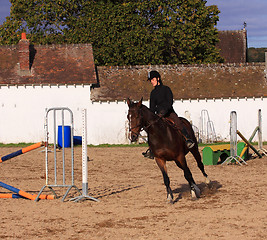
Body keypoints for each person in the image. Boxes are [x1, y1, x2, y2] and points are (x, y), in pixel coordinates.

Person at [142, 70, 195, 159]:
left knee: (178, 122)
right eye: (151, 80)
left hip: (169, 113)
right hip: (158, 116)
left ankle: (187, 140)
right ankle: (151, 149)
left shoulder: (166, 89)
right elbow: (152, 108)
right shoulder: (153, 93)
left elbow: (169, 102)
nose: (151, 81)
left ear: (158, 79)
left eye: (153, 79)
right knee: (151, 129)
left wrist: (163, 112)